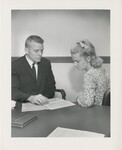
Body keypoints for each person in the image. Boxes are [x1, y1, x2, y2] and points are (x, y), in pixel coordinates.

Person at [12, 35, 56, 105]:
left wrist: (43, 99)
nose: (40, 54)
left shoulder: (46, 63)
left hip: (43, 105)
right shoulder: (15, 65)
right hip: (23, 107)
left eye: (42, 50)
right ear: (26, 50)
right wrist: (31, 98)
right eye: (36, 51)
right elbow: (13, 91)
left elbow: (51, 87)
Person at [70, 39, 110, 107]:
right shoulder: (101, 70)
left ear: (88, 59)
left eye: (77, 61)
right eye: (73, 61)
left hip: (96, 111)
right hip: (106, 110)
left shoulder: (89, 75)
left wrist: (78, 98)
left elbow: (88, 102)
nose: (75, 64)